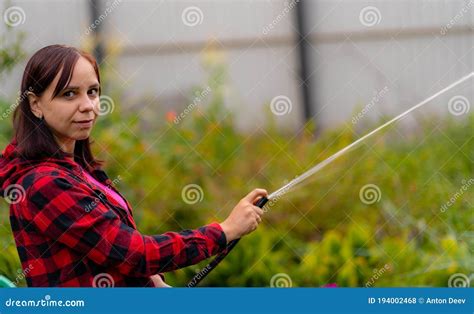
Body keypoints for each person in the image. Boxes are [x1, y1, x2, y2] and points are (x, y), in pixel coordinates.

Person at [0, 44, 267, 287]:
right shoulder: (45, 184)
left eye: (92, 92)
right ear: (35, 104)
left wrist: (154, 283)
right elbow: (135, 254)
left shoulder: (78, 169)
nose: (88, 106)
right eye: (69, 94)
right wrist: (225, 231)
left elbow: (113, 249)